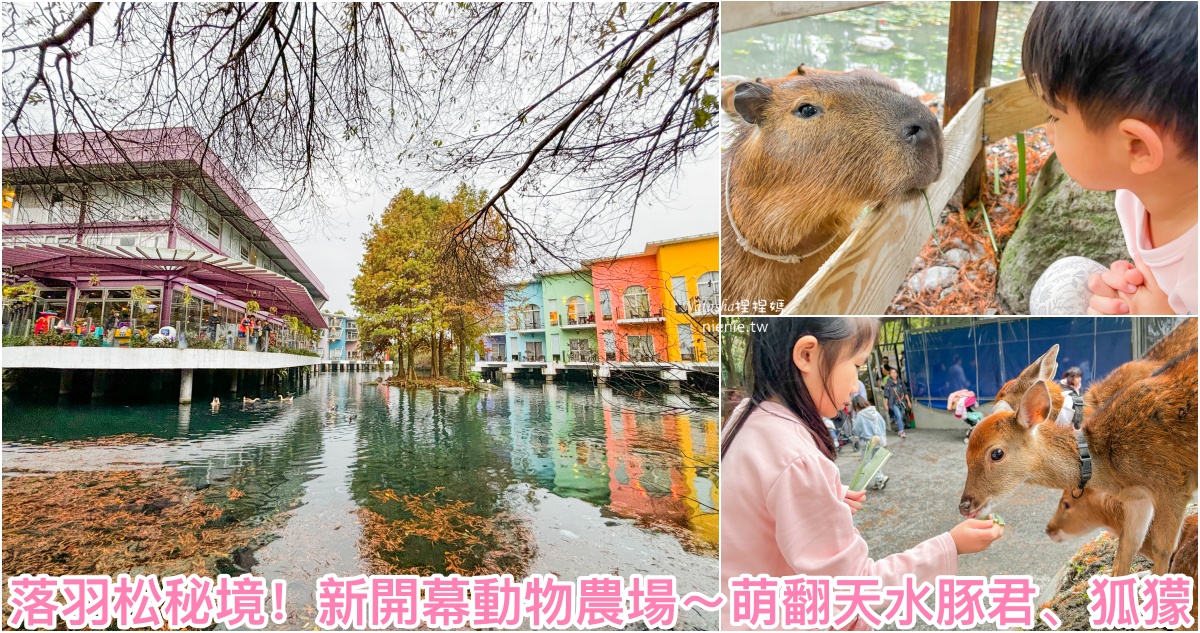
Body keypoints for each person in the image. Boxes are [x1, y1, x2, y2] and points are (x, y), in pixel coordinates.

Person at [719, 318, 1003, 630]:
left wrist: (828, 497)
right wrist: (950, 545)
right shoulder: (798, 459)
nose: (856, 385)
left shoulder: (746, 418)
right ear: (807, 355)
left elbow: (759, 508)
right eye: (857, 364)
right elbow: (856, 586)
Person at [1023, 3, 1196, 316]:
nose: (1047, 132)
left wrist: (1164, 317)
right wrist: (1131, 290)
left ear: (1137, 147)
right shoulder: (1139, 192)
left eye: (1055, 116)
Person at [851, 395, 889, 490]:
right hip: (879, 440)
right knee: (875, 461)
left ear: (856, 406)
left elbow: (855, 430)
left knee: (867, 463)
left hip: (867, 442)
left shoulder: (860, 415)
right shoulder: (874, 412)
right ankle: (879, 480)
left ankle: (878, 479)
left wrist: (855, 423)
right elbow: (883, 424)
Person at [883, 367, 911, 438]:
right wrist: (886, 404)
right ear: (890, 374)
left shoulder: (901, 382)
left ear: (897, 374)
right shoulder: (888, 384)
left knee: (901, 416)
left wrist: (908, 401)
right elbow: (886, 395)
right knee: (899, 416)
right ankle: (902, 431)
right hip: (893, 403)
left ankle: (899, 428)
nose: (894, 374)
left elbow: (905, 392)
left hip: (901, 402)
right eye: (892, 373)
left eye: (895, 373)